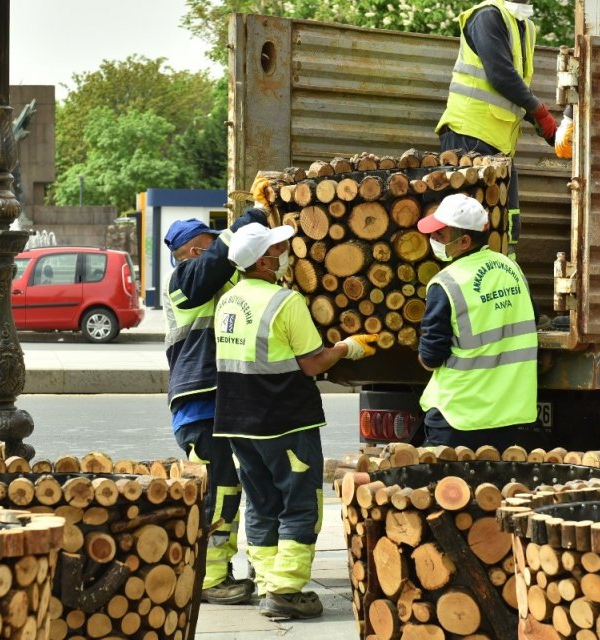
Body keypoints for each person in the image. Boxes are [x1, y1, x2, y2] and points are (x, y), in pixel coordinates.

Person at [213, 223, 378, 619]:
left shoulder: (228, 301)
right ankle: (286, 591)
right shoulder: (284, 302)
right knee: (300, 502)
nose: (284, 252)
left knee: (262, 502)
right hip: (283, 420)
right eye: (277, 248)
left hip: (237, 422)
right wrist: (347, 348)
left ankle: (271, 582)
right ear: (263, 261)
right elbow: (312, 363)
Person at [162, 182, 272, 605]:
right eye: (210, 248)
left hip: (220, 404)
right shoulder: (184, 280)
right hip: (200, 405)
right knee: (219, 491)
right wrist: (253, 216)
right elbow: (218, 261)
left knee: (233, 488)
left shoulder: (209, 282)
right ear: (194, 252)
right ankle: (209, 579)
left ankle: (219, 570)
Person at [416, 193, 538, 449]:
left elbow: (431, 358)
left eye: (441, 233)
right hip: (508, 417)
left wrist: (424, 357)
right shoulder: (511, 269)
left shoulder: (446, 283)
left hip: (458, 417)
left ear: (465, 241)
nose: (433, 239)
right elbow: (530, 318)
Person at [435, 0, 555, 258]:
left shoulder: (524, 26)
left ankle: (504, 274)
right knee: (468, 230)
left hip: (498, 143)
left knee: (507, 223)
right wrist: (540, 112)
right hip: (468, 134)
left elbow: (517, 89)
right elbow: (501, 75)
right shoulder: (487, 16)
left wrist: (546, 127)